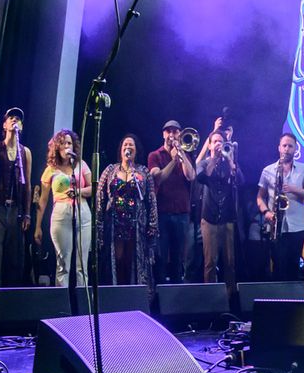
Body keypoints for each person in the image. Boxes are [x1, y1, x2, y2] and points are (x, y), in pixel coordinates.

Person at [97, 134, 158, 287]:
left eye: (131, 145)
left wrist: (152, 224)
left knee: (132, 260)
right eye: (125, 145)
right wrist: (98, 224)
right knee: (117, 259)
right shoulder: (110, 170)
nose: (128, 148)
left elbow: (151, 198)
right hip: (115, 222)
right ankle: (116, 292)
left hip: (136, 223)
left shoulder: (143, 171)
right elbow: (100, 197)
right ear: (121, 150)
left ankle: (134, 294)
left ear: (136, 150)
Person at [0, 107, 33, 287]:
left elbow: (27, 185)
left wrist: (27, 213)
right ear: (4, 124)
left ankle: (10, 301)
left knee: (14, 261)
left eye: (18, 119)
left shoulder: (25, 152)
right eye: (11, 118)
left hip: (15, 211)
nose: (14, 120)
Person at [35, 129, 92, 288]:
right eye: (63, 143)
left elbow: (93, 188)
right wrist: (38, 226)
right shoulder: (51, 169)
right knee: (63, 264)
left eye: (69, 143)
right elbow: (43, 199)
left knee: (82, 265)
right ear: (57, 147)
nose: (67, 146)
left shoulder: (81, 165)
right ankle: (62, 302)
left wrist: (79, 192)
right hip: (61, 213)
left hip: (82, 211)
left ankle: (82, 300)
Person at [258, 133, 304, 284]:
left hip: (297, 226)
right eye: (284, 145)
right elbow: (260, 198)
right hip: (275, 226)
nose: (287, 149)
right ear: (279, 148)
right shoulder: (268, 170)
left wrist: (292, 189)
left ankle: (293, 297)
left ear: (295, 149)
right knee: (278, 267)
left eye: (290, 146)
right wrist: (266, 212)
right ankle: (278, 297)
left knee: (293, 267)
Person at [147, 120, 195, 284]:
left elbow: (191, 176)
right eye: (168, 132)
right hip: (162, 213)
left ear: (180, 135)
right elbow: (158, 178)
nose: (171, 135)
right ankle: (160, 293)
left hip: (182, 213)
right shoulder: (155, 155)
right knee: (160, 257)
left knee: (178, 258)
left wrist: (181, 155)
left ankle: (176, 294)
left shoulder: (184, 154)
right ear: (163, 134)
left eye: (175, 132)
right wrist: (173, 161)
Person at [194, 130, 240, 294]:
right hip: (209, 218)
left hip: (227, 218)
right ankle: (211, 296)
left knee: (230, 262)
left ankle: (230, 297)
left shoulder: (229, 164)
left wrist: (231, 161)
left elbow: (241, 180)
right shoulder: (204, 163)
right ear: (210, 145)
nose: (218, 144)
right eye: (215, 142)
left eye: (221, 141)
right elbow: (201, 177)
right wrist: (214, 158)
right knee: (210, 262)